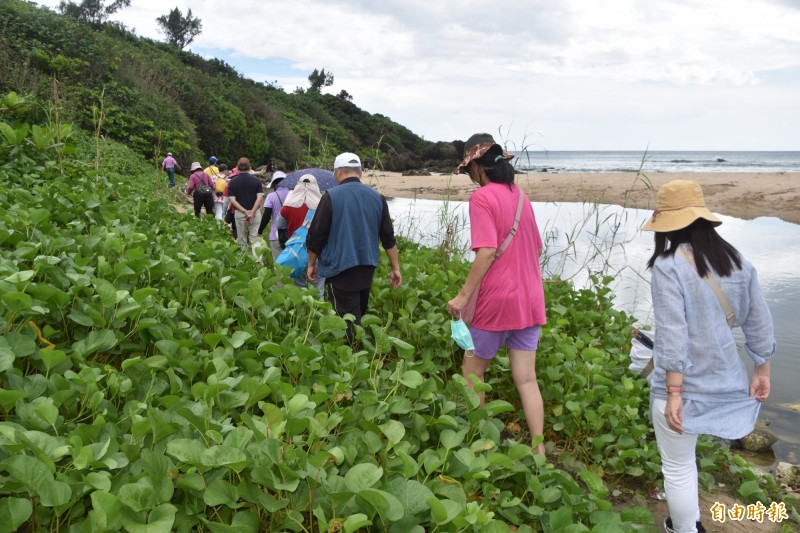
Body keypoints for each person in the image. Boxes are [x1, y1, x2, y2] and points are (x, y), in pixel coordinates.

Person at [642, 180, 775, 533]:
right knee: (687, 464)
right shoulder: (737, 262)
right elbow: (759, 321)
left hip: (680, 391)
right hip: (725, 383)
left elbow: (672, 335)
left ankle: (685, 529)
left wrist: (673, 393)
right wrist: (762, 369)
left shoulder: (669, 266)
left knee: (679, 466)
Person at [446, 133, 547, 455]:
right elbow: (538, 248)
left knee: (472, 374)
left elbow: (487, 251)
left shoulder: (482, 198)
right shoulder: (521, 197)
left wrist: (463, 297)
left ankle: (478, 444)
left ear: (478, 166)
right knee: (527, 379)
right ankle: (539, 450)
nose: (471, 177)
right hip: (530, 300)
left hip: (496, 301)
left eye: (469, 170)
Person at [307, 152, 402, 341]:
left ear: (338, 172)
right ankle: (361, 351)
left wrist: (311, 263)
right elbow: (388, 238)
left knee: (346, 320)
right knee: (358, 309)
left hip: (340, 267)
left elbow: (316, 235)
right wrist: (396, 268)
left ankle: (353, 358)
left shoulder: (331, 196)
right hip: (367, 266)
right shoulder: (377, 197)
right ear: (359, 172)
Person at [279, 174, 324, 293]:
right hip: (318, 252)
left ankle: (301, 310)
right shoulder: (323, 206)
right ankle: (316, 309)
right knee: (317, 287)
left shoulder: (288, 206)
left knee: (299, 286)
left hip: (296, 252)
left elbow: (281, 227)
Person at [227, 157, 265, 259]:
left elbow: (232, 200)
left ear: (237, 168)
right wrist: (252, 212)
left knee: (242, 239)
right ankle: (258, 263)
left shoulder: (232, 182)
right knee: (255, 239)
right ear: (250, 168)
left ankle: (243, 263)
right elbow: (260, 197)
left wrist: (244, 211)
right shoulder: (256, 181)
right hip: (255, 213)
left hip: (239, 214)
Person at [259, 171, 290, 260]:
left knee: (278, 264)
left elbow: (266, 216)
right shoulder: (293, 195)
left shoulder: (271, 196)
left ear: (274, 185)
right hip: (292, 234)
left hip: (276, 234)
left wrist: (260, 231)